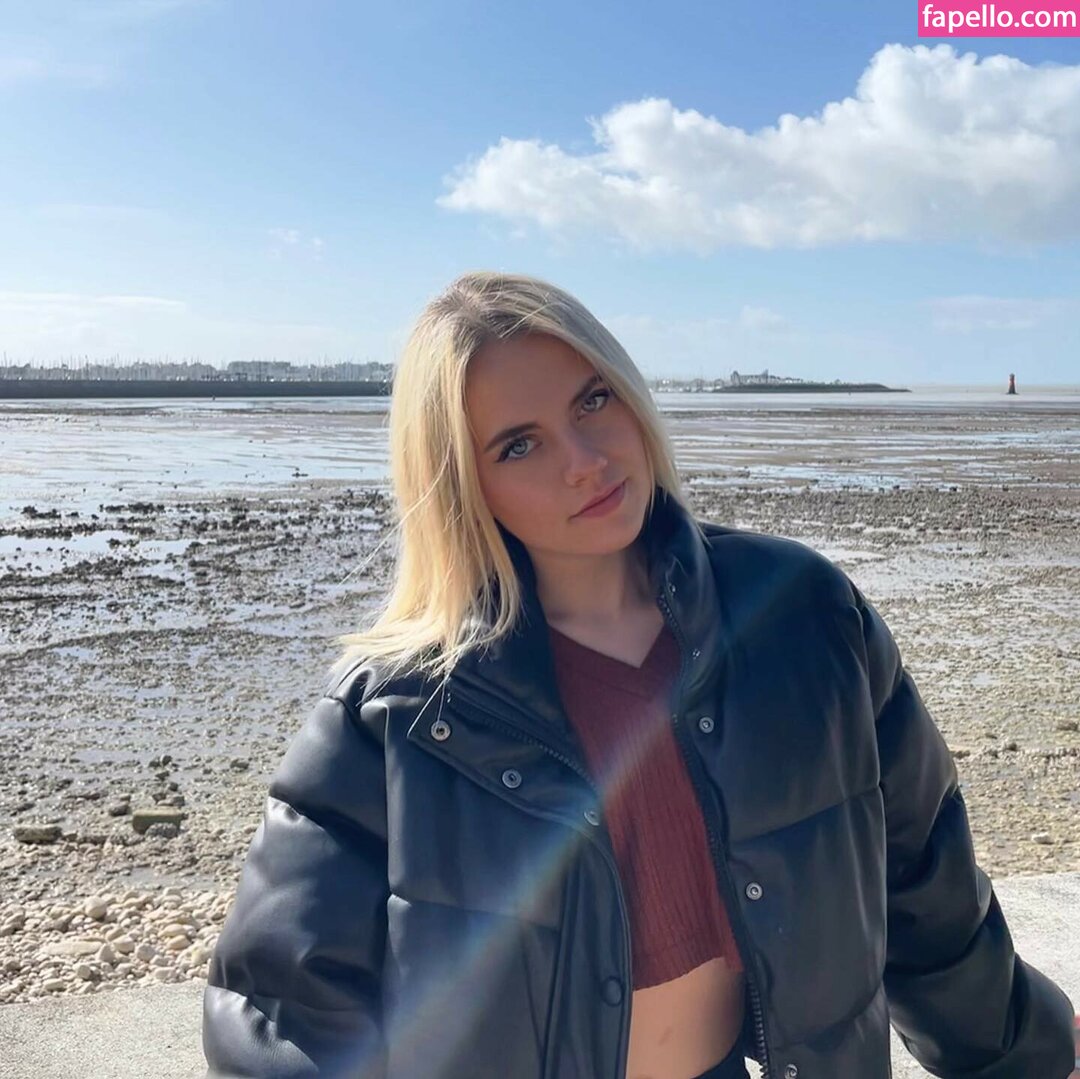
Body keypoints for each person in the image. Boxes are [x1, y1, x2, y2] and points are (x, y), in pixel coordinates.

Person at [202, 271, 1077, 1079]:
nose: (583, 459)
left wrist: (1034, 1049)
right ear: (462, 482)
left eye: (593, 399)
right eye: (518, 445)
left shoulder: (803, 616)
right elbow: (276, 1009)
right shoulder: (402, 707)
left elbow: (927, 894)